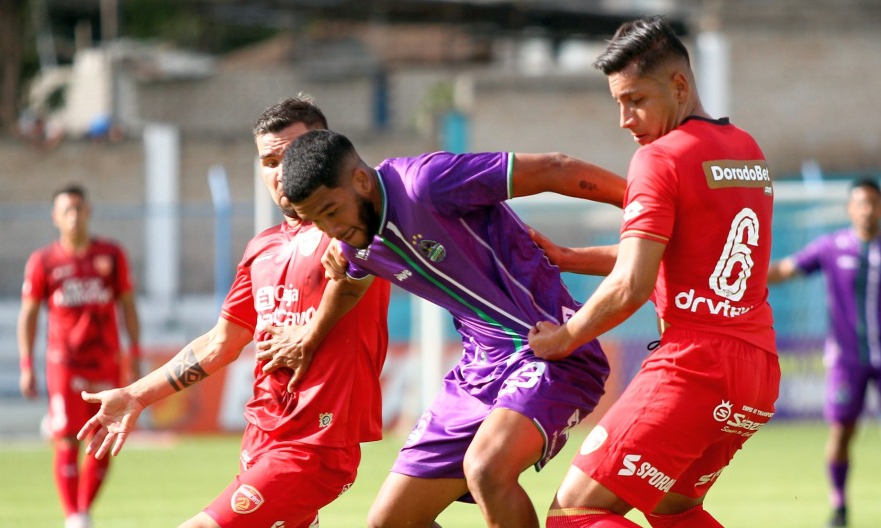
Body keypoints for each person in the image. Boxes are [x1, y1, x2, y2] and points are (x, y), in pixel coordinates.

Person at [280, 128, 627, 528]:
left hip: (551, 349)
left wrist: (645, 203)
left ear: (360, 180)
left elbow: (553, 168)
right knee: (390, 523)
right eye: (316, 221)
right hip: (478, 373)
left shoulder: (426, 183)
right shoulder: (352, 242)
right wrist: (310, 336)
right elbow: (347, 286)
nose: (330, 229)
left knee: (486, 469)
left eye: (331, 211)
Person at [77, 96, 392, 528]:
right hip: (260, 437)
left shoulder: (353, 227)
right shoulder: (261, 249)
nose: (281, 172)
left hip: (314, 444)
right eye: (268, 160)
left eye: (293, 154)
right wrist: (136, 395)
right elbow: (221, 343)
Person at [526, 15, 779, 528]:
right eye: (618, 103)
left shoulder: (660, 159)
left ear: (679, 85)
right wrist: (569, 257)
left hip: (696, 366)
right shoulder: (748, 151)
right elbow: (676, 253)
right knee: (674, 512)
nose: (624, 119)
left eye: (635, 99)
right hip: (756, 370)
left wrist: (564, 339)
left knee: (575, 513)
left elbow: (632, 285)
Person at [17, 184, 141, 528]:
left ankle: (83, 510)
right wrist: (26, 365)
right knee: (67, 438)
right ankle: (75, 517)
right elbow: (28, 315)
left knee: (105, 437)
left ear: (89, 212)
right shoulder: (43, 261)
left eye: (78, 209)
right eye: (66, 211)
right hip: (64, 362)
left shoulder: (111, 255)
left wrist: (135, 353)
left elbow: (128, 306)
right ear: (55, 217)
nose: (73, 216)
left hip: (105, 360)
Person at [767, 177, 881, 528]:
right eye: (861, 203)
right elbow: (785, 270)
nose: (868, 210)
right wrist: (740, 275)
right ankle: (839, 505)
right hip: (847, 360)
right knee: (841, 431)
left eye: (874, 203)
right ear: (849, 208)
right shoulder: (832, 247)